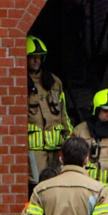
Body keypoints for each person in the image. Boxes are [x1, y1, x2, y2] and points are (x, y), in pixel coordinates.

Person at [26, 35, 72, 187]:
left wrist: (69, 138)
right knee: (37, 184)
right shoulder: (19, 81)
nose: (36, 61)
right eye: (32, 57)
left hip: (56, 146)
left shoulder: (54, 82)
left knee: (56, 184)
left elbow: (63, 113)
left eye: (39, 57)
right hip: (34, 147)